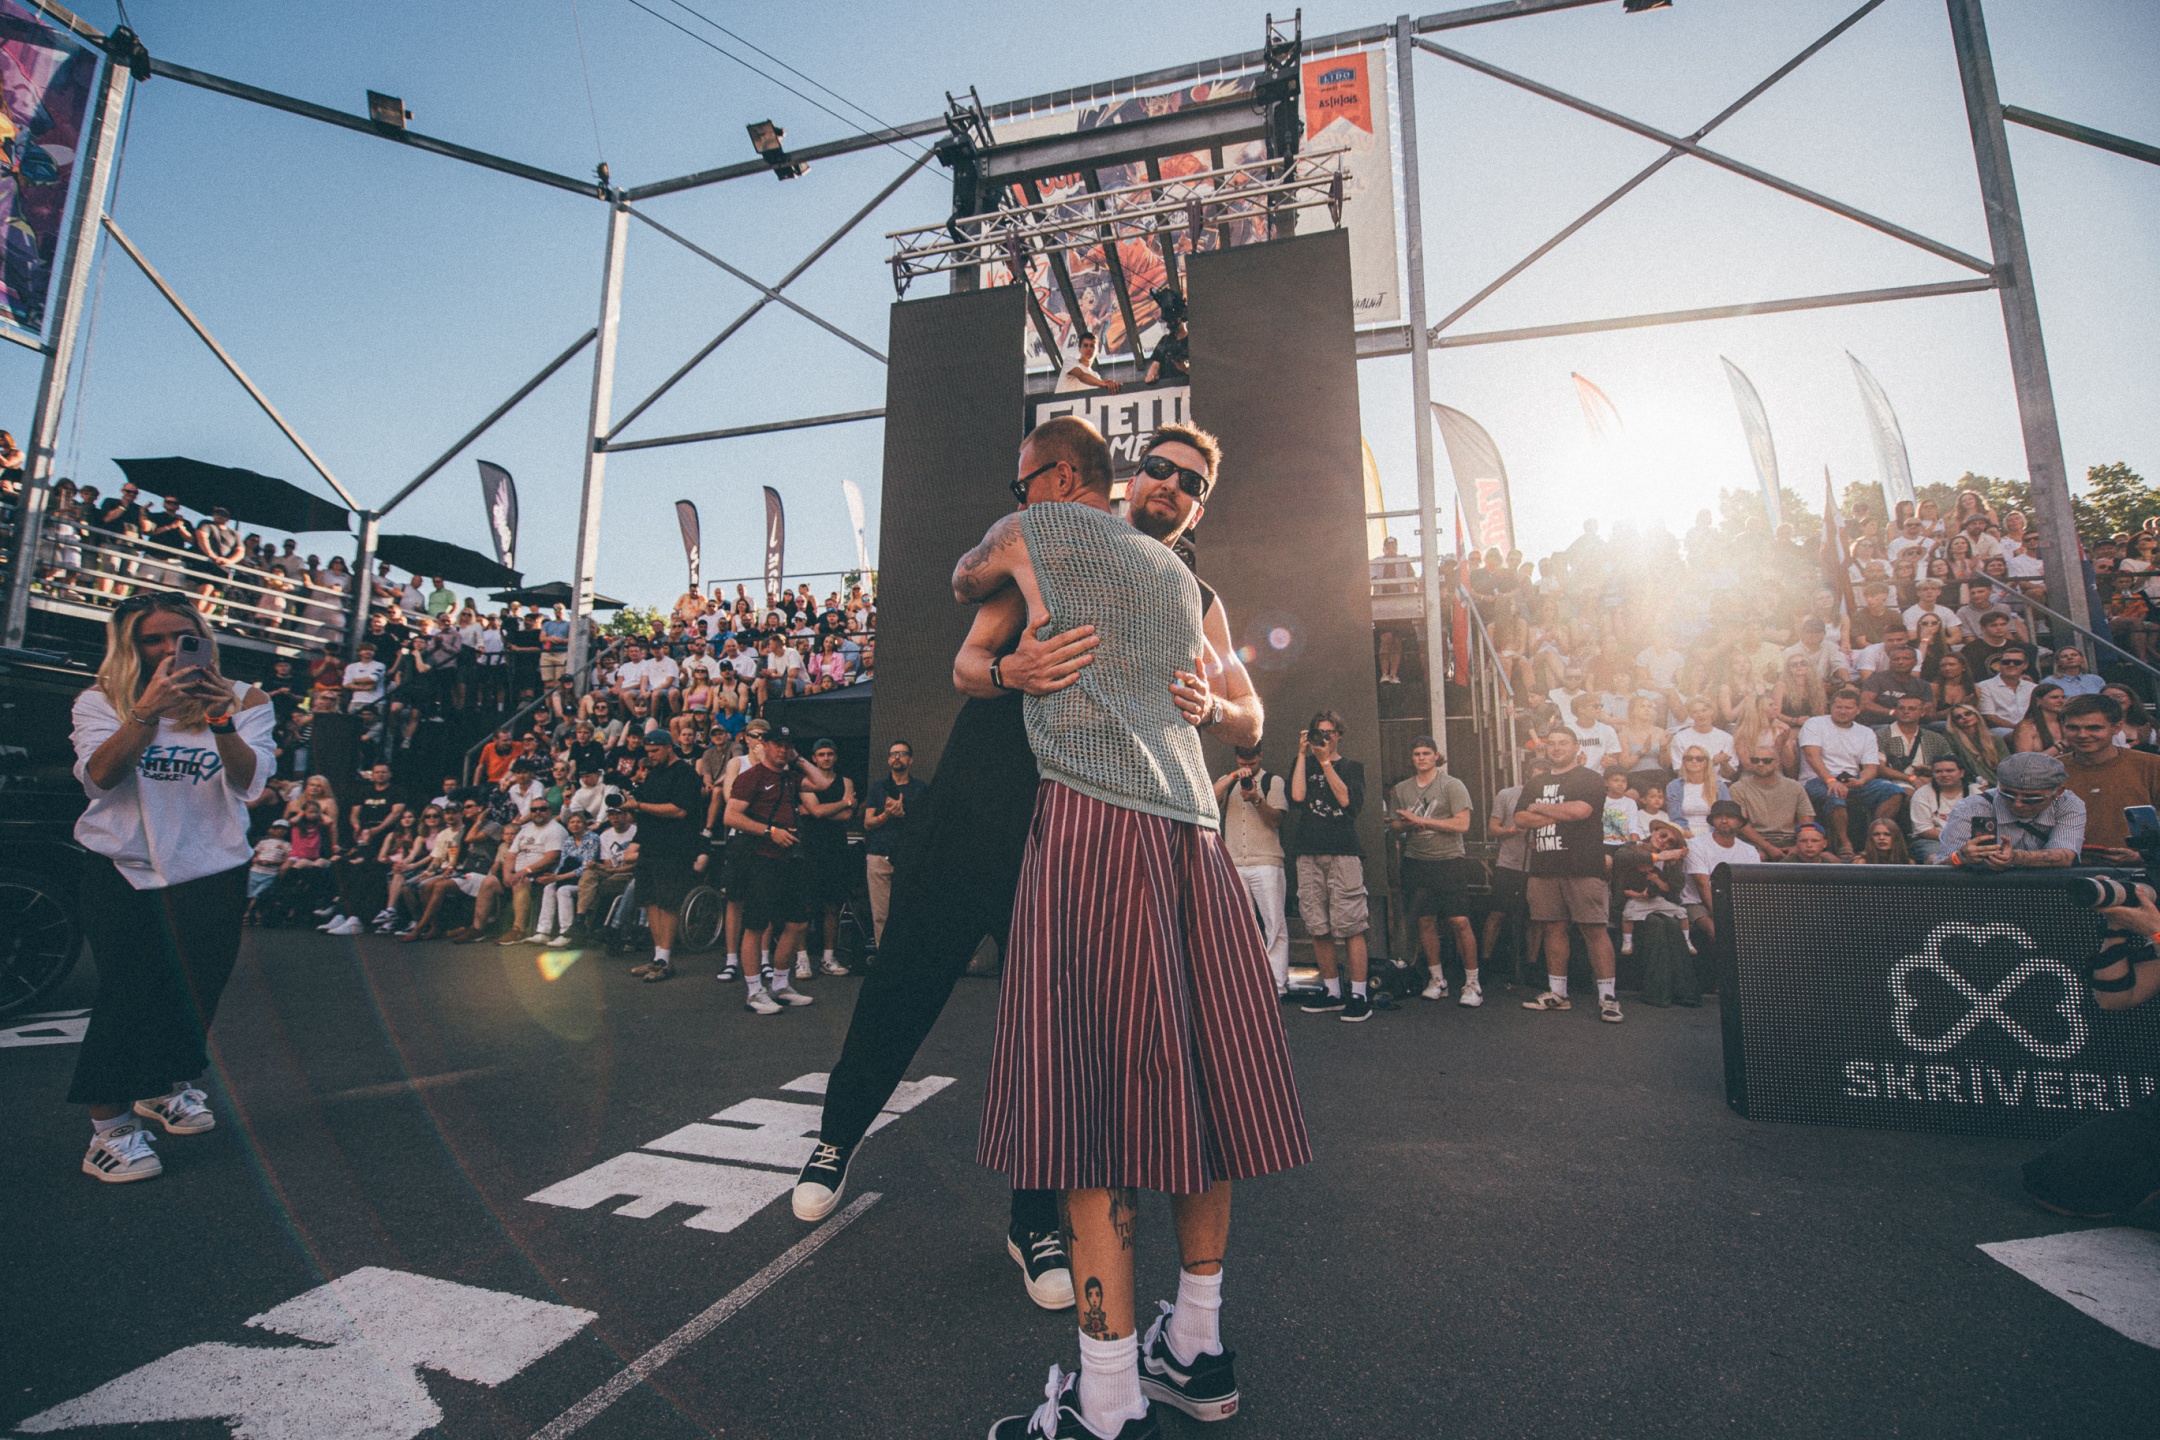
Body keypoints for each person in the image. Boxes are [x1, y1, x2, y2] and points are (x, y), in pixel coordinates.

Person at [950, 415, 1305, 1440]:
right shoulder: (1087, 549)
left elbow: (1250, 717)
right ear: (1122, 475)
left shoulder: (1170, 580)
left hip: (1126, 833)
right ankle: (1189, 1351)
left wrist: (1216, 708)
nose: (1169, 487)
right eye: (1156, 468)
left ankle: (1114, 1400)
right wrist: (1013, 672)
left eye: (1189, 482)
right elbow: (972, 657)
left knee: (1099, 1110)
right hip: (1168, 836)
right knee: (1195, 1092)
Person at [66, 593, 276, 1183]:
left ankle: (159, 1088)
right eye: (150, 640)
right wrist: (146, 712)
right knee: (128, 994)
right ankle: (108, 1131)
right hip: (125, 865)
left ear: (202, 639)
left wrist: (220, 719)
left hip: (212, 867)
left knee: (195, 991)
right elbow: (99, 777)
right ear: (128, 647)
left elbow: (251, 784)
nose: (167, 650)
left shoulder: (246, 699)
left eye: (180, 637)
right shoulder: (101, 700)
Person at [1519, 727, 1623, 1022]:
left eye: (1563, 743)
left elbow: (1580, 811)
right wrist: (1556, 814)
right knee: (1553, 929)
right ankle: (1558, 994)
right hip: (1544, 867)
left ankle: (1608, 997)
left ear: (1577, 747)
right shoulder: (1536, 781)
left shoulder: (1589, 778)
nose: (1556, 748)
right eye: (1551, 743)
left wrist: (1540, 808)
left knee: (1594, 930)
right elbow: (1520, 817)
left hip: (1583, 866)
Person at [722, 723, 828, 1010]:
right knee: (756, 924)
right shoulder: (751, 776)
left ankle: (780, 984)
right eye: (777, 744)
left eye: (787, 745)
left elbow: (822, 784)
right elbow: (731, 816)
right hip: (760, 856)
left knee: (797, 923)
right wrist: (769, 831)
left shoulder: (790, 777)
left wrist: (798, 758)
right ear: (765, 745)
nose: (782, 749)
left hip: (790, 858)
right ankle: (754, 991)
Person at [1290, 710, 1373, 1021]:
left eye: (1329, 733)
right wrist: (1303, 755)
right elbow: (1297, 796)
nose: (1323, 738)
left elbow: (1347, 801)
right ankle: (1332, 991)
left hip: (1343, 852)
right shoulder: (1303, 763)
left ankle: (1359, 994)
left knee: (1351, 924)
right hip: (1309, 851)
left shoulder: (1352, 767)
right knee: (1317, 924)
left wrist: (1326, 762)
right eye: (1318, 732)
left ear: (1339, 735)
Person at [1388, 736, 1480, 1006]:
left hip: (1448, 860)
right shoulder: (1402, 789)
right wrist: (1408, 825)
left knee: (1459, 921)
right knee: (1425, 922)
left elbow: (1462, 824)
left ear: (1436, 756)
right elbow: (1395, 825)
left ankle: (1472, 983)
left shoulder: (1452, 785)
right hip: (1416, 861)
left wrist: (1423, 821)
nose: (1421, 758)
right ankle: (1437, 979)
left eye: (1426, 753)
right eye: (1417, 754)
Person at [620, 730, 707, 981]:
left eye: (655, 751)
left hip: (674, 847)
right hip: (649, 845)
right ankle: (658, 958)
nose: (651, 756)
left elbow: (679, 810)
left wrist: (639, 805)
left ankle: (665, 960)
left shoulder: (685, 773)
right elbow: (644, 809)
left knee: (668, 903)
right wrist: (630, 804)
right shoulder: (652, 774)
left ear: (669, 747)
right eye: (647, 752)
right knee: (651, 901)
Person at [1216, 744, 1290, 994]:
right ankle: (1244, 985)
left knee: (1274, 924)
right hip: (1235, 863)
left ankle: (1276, 985)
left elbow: (1276, 820)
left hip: (1267, 862)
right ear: (1236, 758)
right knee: (1239, 925)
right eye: (1242, 761)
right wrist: (1233, 777)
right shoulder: (1228, 781)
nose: (1247, 766)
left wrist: (1257, 799)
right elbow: (1209, 799)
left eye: (1252, 761)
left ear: (1261, 755)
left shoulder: (1272, 781)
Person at [1933, 750, 2085, 868]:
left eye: (2031, 798)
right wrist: (1960, 858)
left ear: (2058, 792)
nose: (2018, 804)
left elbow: (2065, 855)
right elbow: (1940, 866)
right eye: (2008, 795)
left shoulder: (2068, 804)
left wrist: (2015, 857)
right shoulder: (1972, 807)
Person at [1799, 688, 1904, 856]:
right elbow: (1812, 756)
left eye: (1848, 708)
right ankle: (1845, 843)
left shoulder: (1866, 732)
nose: (1842, 711)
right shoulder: (1814, 723)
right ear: (1831, 707)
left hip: (1853, 779)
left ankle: (1873, 837)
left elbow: (1871, 767)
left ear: (1858, 710)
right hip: (1817, 779)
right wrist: (1830, 780)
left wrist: (1861, 781)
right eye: (1838, 707)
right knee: (1835, 794)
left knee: (1894, 791)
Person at [2058, 694, 2160, 863]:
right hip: (2068, 870)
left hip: (2139, 870)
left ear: (2117, 727)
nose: (2082, 735)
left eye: (2094, 728)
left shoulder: (2151, 766)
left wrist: (2142, 857)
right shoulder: (2050, 770)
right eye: (2073, 728)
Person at [798, 738, 856, 978]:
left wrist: (817, 812)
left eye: (830, 754)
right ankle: (802, 960)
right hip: (810, 848)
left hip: (835, 848)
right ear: (814, 758)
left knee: (832, 905)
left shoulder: (846, 782)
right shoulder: (805, 782)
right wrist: (843, 802)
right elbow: (817, 811)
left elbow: (846, 816)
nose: (826, 758)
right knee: (805, 906)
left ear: (836, 756)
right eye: (821, 754)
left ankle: (828, 958)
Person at [860, 739, 923, 945]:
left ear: (910, 760)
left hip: (909, 856)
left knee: (909, 910)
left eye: (902, 753)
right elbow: (868, 822)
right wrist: (886, 815)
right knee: (881, 913)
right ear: (888, 760)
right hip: (880, 855)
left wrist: (905, 813)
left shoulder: (921, 789)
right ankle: (884, 956)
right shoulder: (878, 788)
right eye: (893, 754)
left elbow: (926, 823)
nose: (897, 757)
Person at [1683, 800, 1760, 948]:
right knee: (1718, 931)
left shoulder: (1749, 851)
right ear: (1712, 820)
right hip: (1698, 903)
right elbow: (1702, 885)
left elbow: (1753, 888)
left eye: (1730, 816)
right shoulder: (1696, 845)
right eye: (1719, 816)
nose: (1724, 820)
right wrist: (1724, 919)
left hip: (1737, 904)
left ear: (1740, 822)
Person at [1732, 746, 1813, 859]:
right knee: (1758, 857)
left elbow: (1806, 821)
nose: (1760, 764)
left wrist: (1797, 846)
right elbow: (1742, 824)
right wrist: (1769, 847)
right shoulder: (1738, 788)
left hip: (1790, 840)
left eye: (1766, 761)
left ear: (1777, 762)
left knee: (1828, 858)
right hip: (1754, 842)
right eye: (1755, 760)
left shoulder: (1795, 787)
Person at [575, 800, 639, 936]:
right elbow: (609, 865)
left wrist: (613, 870)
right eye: (611, 815)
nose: (614, 818)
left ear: (626, 815)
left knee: (596, 888)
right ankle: (579, 919)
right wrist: (599, 866)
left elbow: (637, 863)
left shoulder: (636, 831)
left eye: (618, 814)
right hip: (613, 872)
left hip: (630, 873)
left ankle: (592, 926)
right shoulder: (605, 835)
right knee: (589, 873)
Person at [1908, 755, 1980, 863]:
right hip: (1932, 841)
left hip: (1970, 840)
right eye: (1938, 771)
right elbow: (1924, 830)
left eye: (1949, 771)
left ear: (1961, 773)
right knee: (1936, 859)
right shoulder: (1922, 794)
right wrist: (1956, 839)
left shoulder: (1976, 792)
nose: (1944, 775)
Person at [1057, 331, 1121, 393]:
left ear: (1097, 350)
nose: (1088, 349)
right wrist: (1103, 383)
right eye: (1085, 345)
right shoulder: (1069, 361)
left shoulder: (1096, 376)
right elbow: (1082, 376)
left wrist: (1111, 385)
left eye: (1092, 346)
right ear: (1079, 349)